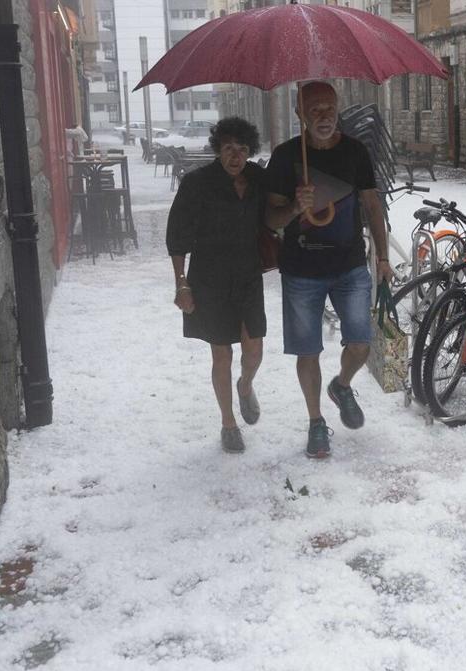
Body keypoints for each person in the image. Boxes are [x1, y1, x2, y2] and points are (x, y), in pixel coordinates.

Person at [264, 81, 392, 460]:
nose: (324, 116)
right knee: (308, 351)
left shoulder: (354, 152)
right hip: (301, 270)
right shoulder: (286, 157)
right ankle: (317, 421)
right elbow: (271, 219)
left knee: (361, 343)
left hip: (349, 265)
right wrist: (293, 208)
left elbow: (371, 206)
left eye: (329, 108)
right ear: (300, 114)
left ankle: (341, 385)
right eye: (314, 110)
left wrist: (382, 258)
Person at [167, 117, 268, 453]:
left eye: (241, 149)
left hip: (248, 277)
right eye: (228, 149)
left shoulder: (258, 179)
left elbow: (277, 213)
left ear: (250, 151)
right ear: (218, 150)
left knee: (254, 349)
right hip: (209, 279)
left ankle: (245, 385)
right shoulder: (197, 183)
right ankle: (228, 423)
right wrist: (182, 284)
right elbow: (177, 237)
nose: (235, 156)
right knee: (221, 353)